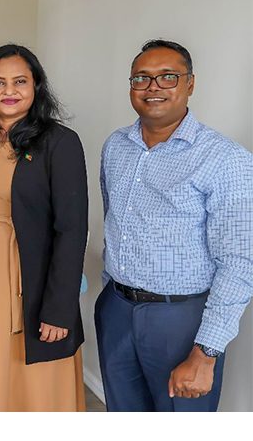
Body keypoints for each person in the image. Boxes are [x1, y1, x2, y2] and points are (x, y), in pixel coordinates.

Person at [96, 39, 253, 412]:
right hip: (116, 309)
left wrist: (206, 351)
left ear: (190, 84)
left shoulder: (225, 158)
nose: (153, 88)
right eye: (142, 78)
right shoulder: (115, 146)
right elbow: (114, 222)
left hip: (181, 321)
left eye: (168, 77)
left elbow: (240, 261)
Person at [0, 44, 88, 411]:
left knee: (30, 380)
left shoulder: (59, 143)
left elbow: (72, 230)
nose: (9, 91)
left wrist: (59, 309)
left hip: (26, 280)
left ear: (37, 86)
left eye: (20, 81)